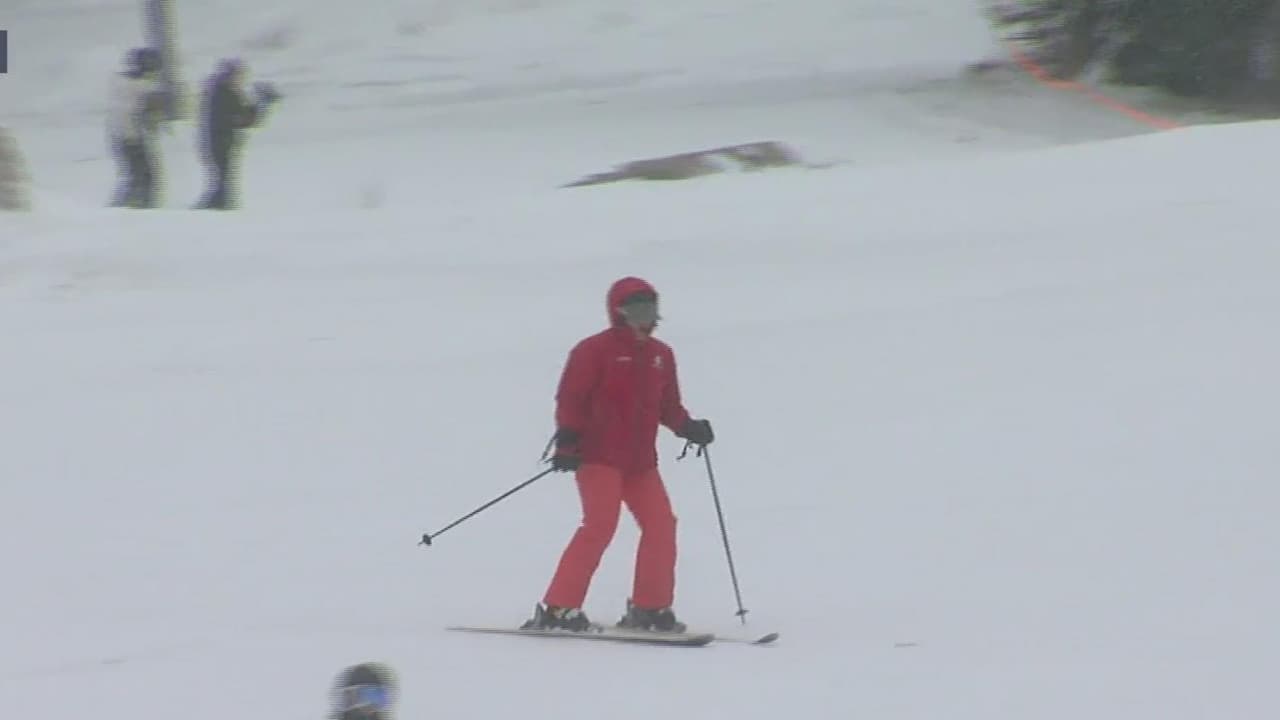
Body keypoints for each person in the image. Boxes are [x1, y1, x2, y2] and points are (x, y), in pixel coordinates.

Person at [524, 276, 715, 633]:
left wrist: (689, 427)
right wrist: (567, 442)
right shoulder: (593, 351)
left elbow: (668, 407)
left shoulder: (661, 355)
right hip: (597, 457)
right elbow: (571, 399)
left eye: (651, 309)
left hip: (640, 463)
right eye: (638, 310)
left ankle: (650, 608)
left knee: (662, 524)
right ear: (619, 312)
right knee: (600, 526)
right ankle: (559, 608)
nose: (647, 318)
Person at [194, 58, 280, 209]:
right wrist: (261, 104)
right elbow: (240, 119)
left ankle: (218, 206)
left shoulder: (227, 93)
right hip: (219, 142)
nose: (241, 80)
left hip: (222, 142)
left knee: (224, 179)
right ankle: (215, 207)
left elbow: (245, 118)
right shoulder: (223, 95)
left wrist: (261, 104)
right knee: (223, 179)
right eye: (238, 75)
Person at [106, 47, 165, 208]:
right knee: (144, 176)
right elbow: (143, 114)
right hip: (131, 136)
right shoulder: (141, 87)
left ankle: (126, 205)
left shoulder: (121, 83)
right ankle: (138, 206)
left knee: (134, 175)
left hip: (119, 134)